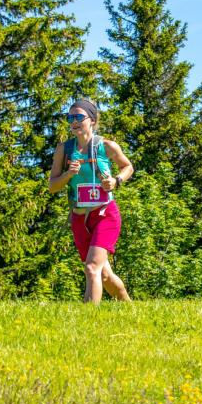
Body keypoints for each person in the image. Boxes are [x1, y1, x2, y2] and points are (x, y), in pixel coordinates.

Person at [49, 99, 133, 304]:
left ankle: (88, 320)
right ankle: (130, 308)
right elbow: (52, 186)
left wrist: (116, 180)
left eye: (79, 117)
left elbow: (128, 166)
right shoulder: (64, 149)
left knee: (91, 268)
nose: (74, 121)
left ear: (92, 120)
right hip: (79, 218)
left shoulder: (106, 146)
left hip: (105, 214)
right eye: (70, 118)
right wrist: (69, 174)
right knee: (103, 275)